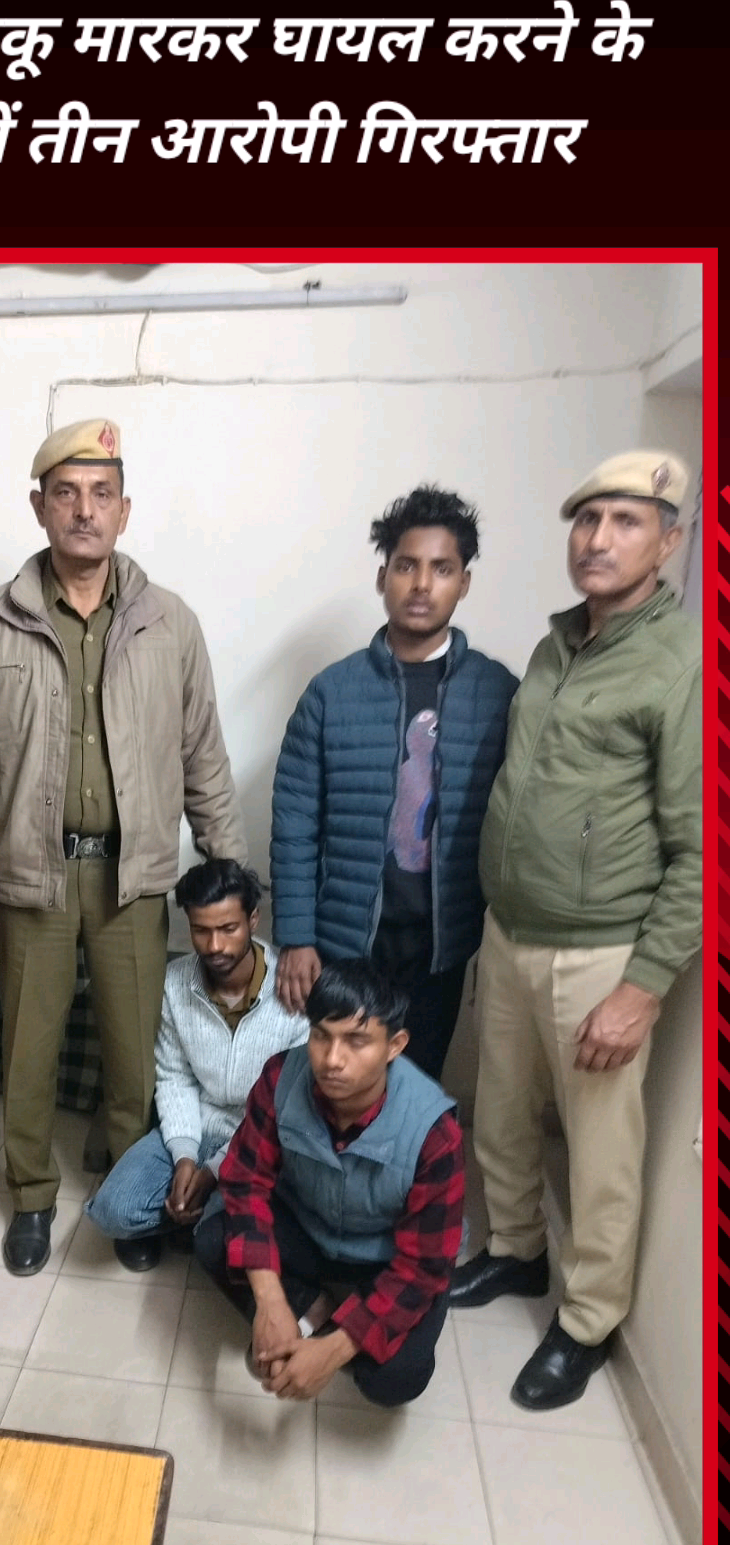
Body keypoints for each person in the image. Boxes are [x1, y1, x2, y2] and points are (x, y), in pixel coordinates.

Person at [0, 418, 246, 1278]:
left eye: (101, 493)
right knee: (27, 1054)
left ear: (124, 510)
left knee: (135, 1052)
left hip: (132, 879)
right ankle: (31, 1194)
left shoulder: (169, 623)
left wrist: (231, 883)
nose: (84, 510)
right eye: (66, 493)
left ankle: (131, 1187)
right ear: (39, 507)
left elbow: (203, 758)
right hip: (29, 879)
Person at [450, 451, 701, 1411]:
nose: (598, 539)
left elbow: (701, 849)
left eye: (626, 522)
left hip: (600, 952)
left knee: (600, 1155)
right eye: (587, 520)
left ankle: (588, 1320)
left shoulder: (679, 664)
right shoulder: (558, 645)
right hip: (513, 931)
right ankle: (515, 1251)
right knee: (503, 1113)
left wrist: (641, 990)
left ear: (669, 542)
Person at [270, 484, 518, 1081]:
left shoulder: (497, 693)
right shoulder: (332, 692)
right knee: (335, 1083)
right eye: (407, 566)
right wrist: (296, 937)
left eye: (442, 569)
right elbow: (294, 819)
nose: (422, 584)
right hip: (345, 940)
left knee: (414, 1085)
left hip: (442, 944)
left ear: (464, 582)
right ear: (383, 576)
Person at [195, 960, 464, 1405]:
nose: (332, 1060)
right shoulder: (281, 1077)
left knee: (396, 1380)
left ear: (395, 1045)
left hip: (384, 1256)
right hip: (308, 1230)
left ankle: (337, 1325)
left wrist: (334, 1349)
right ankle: (310, 1306)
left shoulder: (434, 1133)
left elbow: (423, 1267)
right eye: (321, 1036)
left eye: (357, 1041)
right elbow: (245, 1182)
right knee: (212, 1239)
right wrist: (270, 1301)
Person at [83, 858, 308, 1270]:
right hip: (195, 1125)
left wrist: (216, 1170)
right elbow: (174, 1078)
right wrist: (186, 1157)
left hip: (259, 1140)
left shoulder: (291, 988)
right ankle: (183, 1217)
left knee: (228, 1235)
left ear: (253, 920)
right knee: (112, 1211)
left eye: (228, 928)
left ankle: (195, 1219)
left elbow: (286, 1103)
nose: (215, 945)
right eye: (201, 930)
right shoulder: (175, 982)